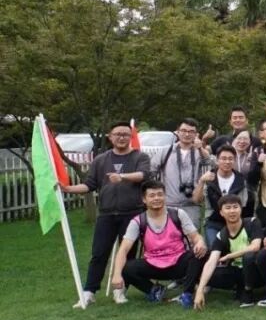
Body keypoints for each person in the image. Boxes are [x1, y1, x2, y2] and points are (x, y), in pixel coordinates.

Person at [60, 121, 152, 307]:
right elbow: (89, 184)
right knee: (99, 253)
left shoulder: (140, 157)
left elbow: (143, 175)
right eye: (118, 134)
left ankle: (120, 290)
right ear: (110, 137)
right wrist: (68, 189)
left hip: (132, 214)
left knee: (128, 254)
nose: (121, 138)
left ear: (130, 137)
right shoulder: (101, 160)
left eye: (125, 134)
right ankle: (89, 291)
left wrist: (122, 177)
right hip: (107, 214)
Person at [109, 180, 207, 307]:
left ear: (165, 196)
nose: (156, 198)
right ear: (144, 199)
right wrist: (117, 275)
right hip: (153, 264)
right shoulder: (138, 221)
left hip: (178, 262)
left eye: (160, 194)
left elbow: (196, 236)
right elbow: (123, 249)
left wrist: (200, 242)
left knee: (199, 254)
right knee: (127, 267)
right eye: (152, 195)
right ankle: (154, 291)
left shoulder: (178, 214)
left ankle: (187, 294)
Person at [193, 194, 264, 308]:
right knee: (208, 272)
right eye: (228, 208)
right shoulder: (221, 235)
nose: (232, 211)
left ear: (241, 209)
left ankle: (249, 291)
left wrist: (229, 256)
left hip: (257, 272)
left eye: (235, 207)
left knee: (249, 256)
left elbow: (255, 247)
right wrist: (200, 289)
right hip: (238, 271)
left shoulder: (252, 222)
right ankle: (240, 288)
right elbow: (211, 261)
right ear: (221, 212)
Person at [157, 117, 210, 228]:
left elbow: (212, 164)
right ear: (177, 132)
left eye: (191, 132)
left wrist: (200, 148)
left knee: (191, 237)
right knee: (168, 236)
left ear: (196, 134)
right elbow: (151, 172)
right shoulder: (166, 151)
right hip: (168, 205)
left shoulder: (200, 152)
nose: (187, 134)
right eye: (184, 131)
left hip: (192, 206)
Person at [193, 144, 248, 247]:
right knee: (215, 248)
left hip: (235, 223)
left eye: (230, 159)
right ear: (217, 160)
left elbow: (242, 205)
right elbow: (196, 200)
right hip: (213, 221)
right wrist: (202, 181)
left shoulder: (240, 180)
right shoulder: (209, 178)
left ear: (234, 160)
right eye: (223, 158)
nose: (227, 162)